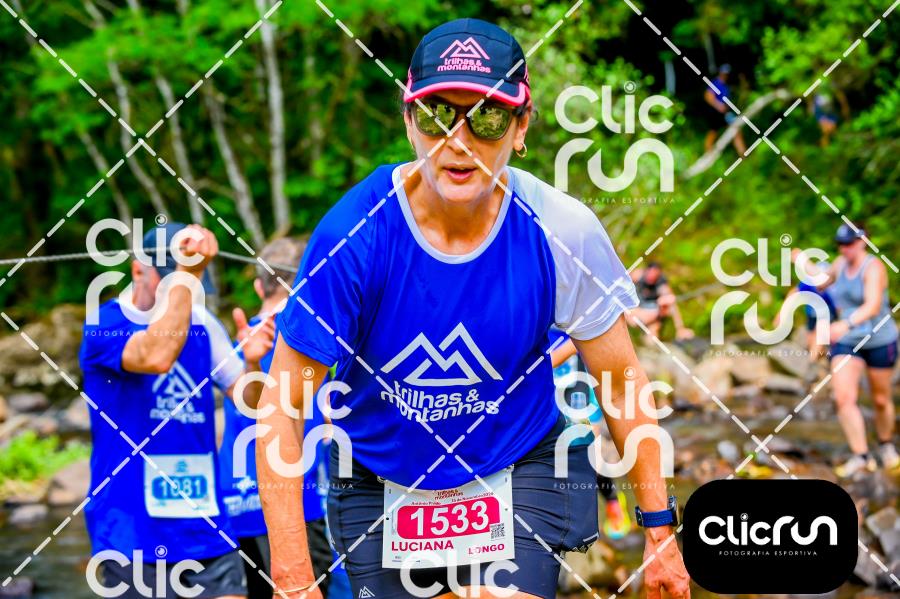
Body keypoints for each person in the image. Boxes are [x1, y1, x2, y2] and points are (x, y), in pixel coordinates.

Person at [256, 18, 689, 599]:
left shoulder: (562, 230)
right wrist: (291, 575)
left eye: (487, 118)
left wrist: (659, 530)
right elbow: (282, 407)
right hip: (380, 475)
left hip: (517, 462)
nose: (459, 142)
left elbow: (620, 383)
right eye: (437, 115)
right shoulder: (355, 235)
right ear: (408, 121)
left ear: (521, 126)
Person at [79, 223, 275, 598]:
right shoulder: (105, 323)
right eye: (169, 279)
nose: (179, 291)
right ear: (138, 269)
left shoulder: (203, 324)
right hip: (131, 533)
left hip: (205, 526)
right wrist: (187, 273)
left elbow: (252, 404)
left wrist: (253, 362)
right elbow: (156, 356)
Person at [218, 238, 335, 598]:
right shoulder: (314, 338)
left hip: (236, 500)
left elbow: (248, 405)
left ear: (259, 286)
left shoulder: (238, 342)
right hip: (298, 506)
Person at [819, 223, 899, 477]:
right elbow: (821, 282)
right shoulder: (839, 264)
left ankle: (886, 445)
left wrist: (846, 323)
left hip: (879, 339)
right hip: (848, 341)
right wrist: (800, 262)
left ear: (862, 241)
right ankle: (861, 455)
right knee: (843, 397)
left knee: (881, 399)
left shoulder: (874, 267)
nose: (844, 249)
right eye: (840, 244)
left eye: (849, 244)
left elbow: (873, 305)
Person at [549, 329, 632, 541]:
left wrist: (563, 351)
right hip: (548, 388)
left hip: (579, 383)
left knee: (589, 454)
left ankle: (613, 501)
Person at [777, 248, 838, 382]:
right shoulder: (807, 283)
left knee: (819, 334)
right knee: (812, 339)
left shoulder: (832, 286)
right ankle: (820, 361)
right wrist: (780, 315)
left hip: (826, 314)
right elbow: (793, 293)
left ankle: (812, 364)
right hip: (812, 314)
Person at [626, 262, 694, 340]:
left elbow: (672, 302)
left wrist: (680, 328)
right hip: (636, 310)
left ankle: (680, 330)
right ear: (646, 271)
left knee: (651, 341)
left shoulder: (662, 284)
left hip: (653, 314)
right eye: (650, 274)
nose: (651, 277)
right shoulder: (637, 274)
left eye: (654, 275)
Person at [703, 64, 747, 156]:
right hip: (715, 113)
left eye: (727, 73)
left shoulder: (726, 85)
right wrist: (718, 106)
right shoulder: (715, 83)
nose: (726, 75)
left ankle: (742, 153)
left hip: (726, 113)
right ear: (720, 73)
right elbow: (708, 96)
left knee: (735, 129)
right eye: (724, 73)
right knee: (713, 132)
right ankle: (708, 154)